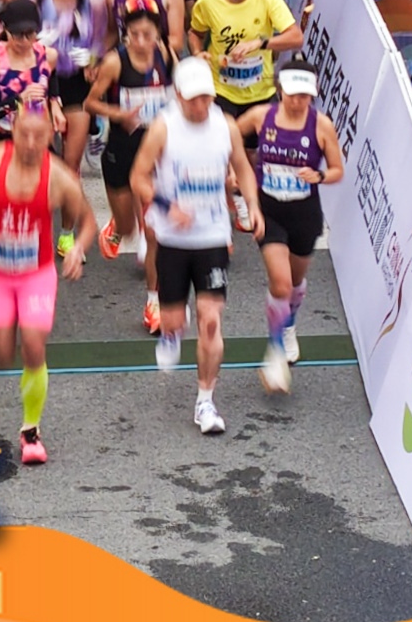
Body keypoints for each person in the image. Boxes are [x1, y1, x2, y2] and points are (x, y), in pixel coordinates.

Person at [129, 56, 257, 438]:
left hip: (212, 235)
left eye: (206, 97)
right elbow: (138, 177)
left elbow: (242, 167)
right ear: (179, 97)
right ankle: (171, 331)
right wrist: (168, 206)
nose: (201, 105)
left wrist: (252, 205)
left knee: (211, 319)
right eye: (193, 98)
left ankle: (205, 401)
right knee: (172, 319)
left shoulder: (225, 126)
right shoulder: (163, 128)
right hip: (172, 238)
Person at [0, 96, 92, 464]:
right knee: (2, 355)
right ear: (13, 132)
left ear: (50, 135)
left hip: (36, 274)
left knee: (33, 346)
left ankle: (30, 430)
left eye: (39, 136)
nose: (31, 144)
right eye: (24, 135)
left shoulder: (58, 176)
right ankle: (13, 357)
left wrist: (78, 248)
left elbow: (88, 221)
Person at [236, 62, 343, 395]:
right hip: (270, 212)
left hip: (304, 214)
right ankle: (275, 351)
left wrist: (320, 175)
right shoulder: (261, 117)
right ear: (281, 91)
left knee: (294, 283)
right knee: (280, 284)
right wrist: (237, 171)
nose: (298, 101)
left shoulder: (321, 125)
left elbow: (337, 169)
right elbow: (228, 135)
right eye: (293, 94)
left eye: (305, 96)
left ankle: (289, 325)